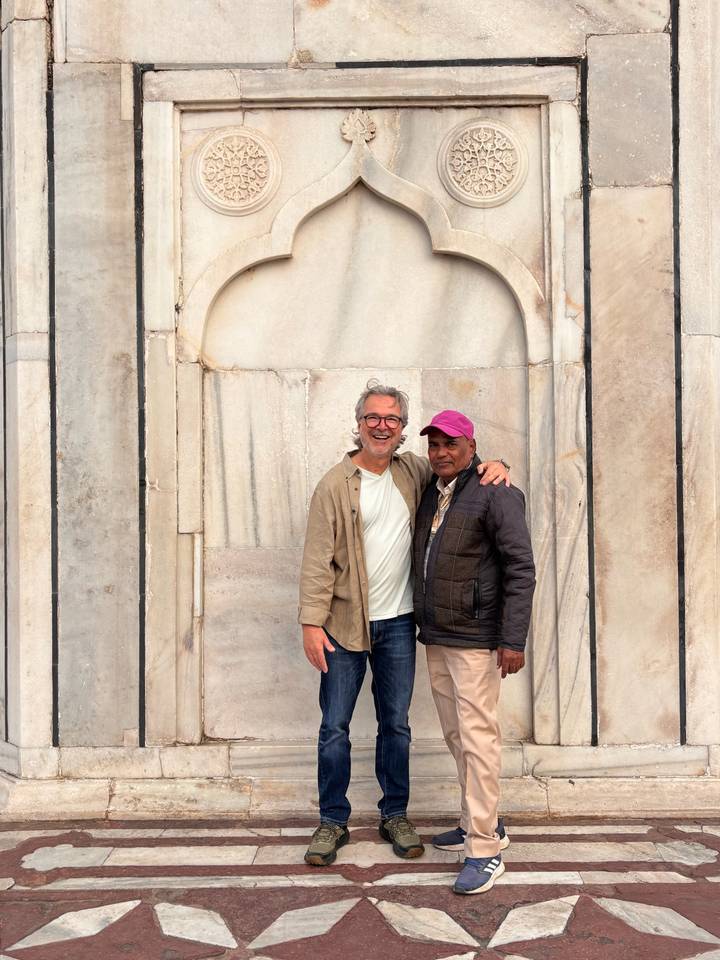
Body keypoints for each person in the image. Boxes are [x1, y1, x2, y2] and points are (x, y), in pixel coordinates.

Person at [298, 382, 510, 867]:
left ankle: (395, 813)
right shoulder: (335, 484)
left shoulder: (413, 470)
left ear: (402, 430)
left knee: (396, 725)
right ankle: (332, 820)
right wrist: (312, 623)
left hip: (398, 625)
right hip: (343, 626)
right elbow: (316, 561)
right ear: (359, 423)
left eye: (392, 420)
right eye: (373, 417)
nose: (382, 426)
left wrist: (496, 466)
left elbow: (458, 469)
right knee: (334, 727)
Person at [413, 409, 535, 894]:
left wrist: (512, 639)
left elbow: (520, 567)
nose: (441, 453)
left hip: (478, 639)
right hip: (438, 635)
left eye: (451, 444)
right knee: (456, 736)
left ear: (471, 445)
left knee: (479, 739)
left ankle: (484, 849)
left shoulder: (496, 491)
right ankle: (479, 821)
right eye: (435, 445)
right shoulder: (434, 488)